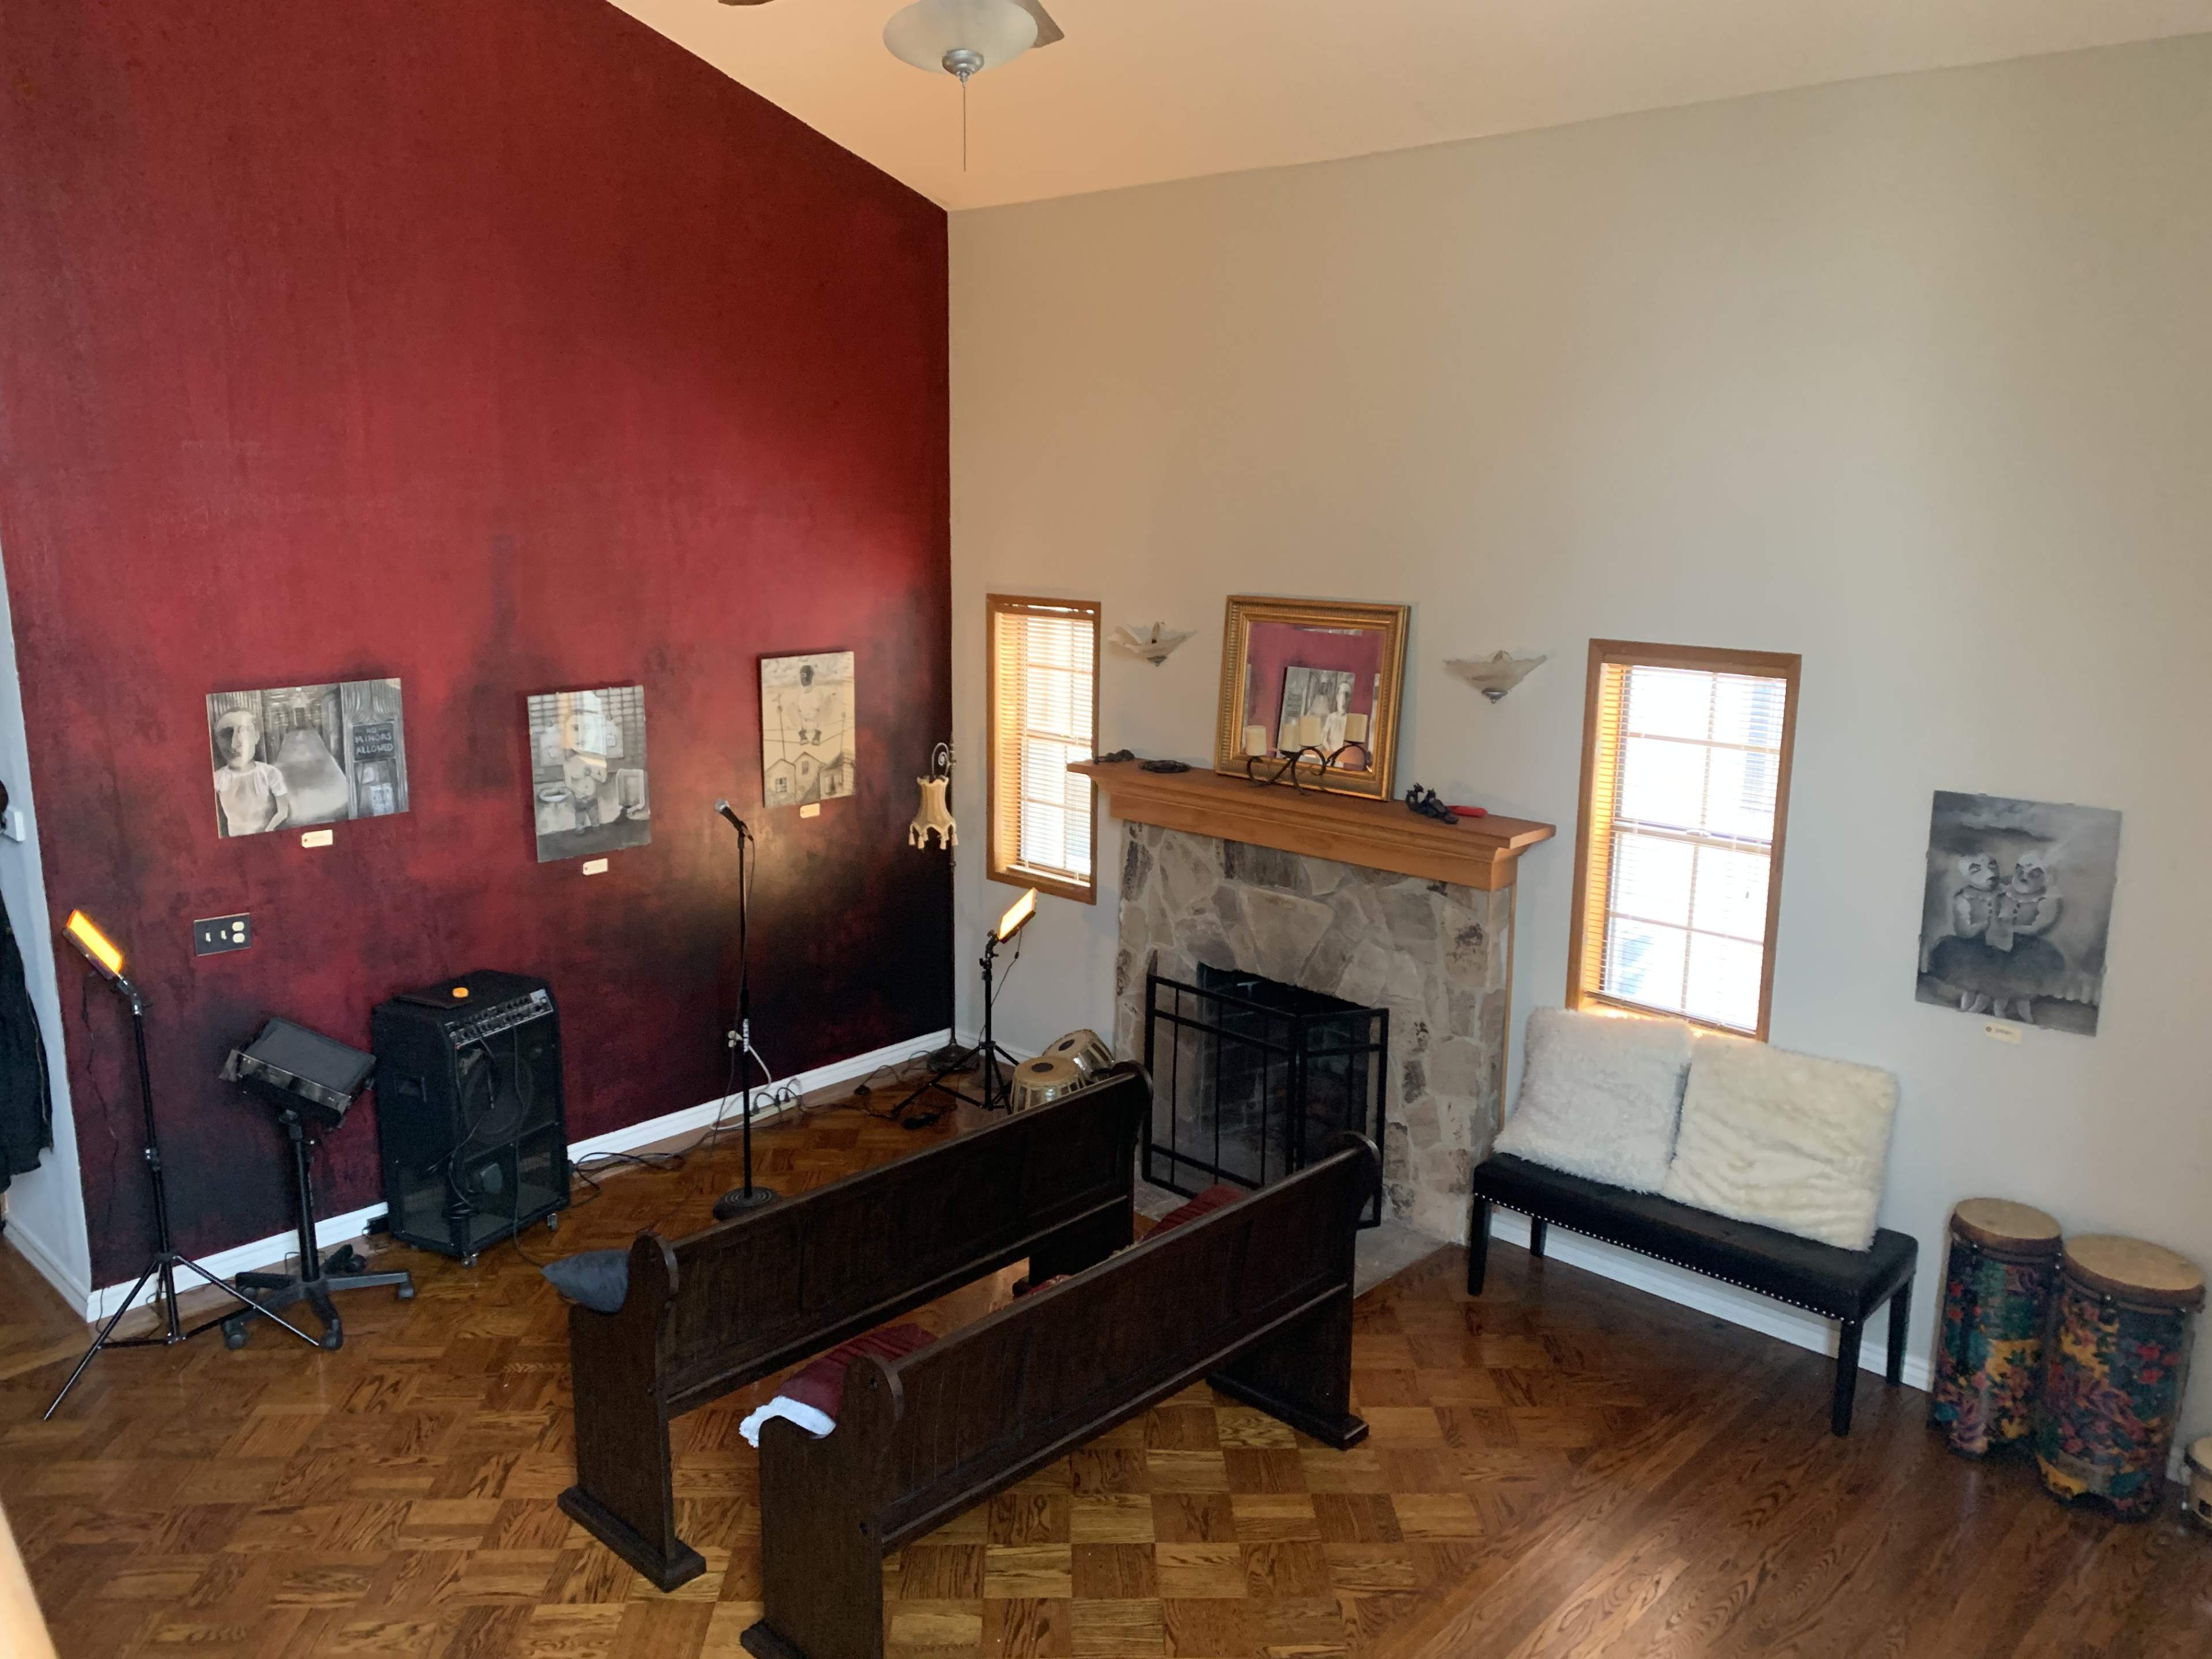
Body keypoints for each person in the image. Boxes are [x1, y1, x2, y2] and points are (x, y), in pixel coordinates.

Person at [212, 708, 291, 836]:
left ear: (256, 737)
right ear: (217, 741)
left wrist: (268, 830)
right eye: (226, 734)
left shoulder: (270, 774)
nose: (235, 744)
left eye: (243, 731)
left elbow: (283, 812)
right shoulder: (217, 779)